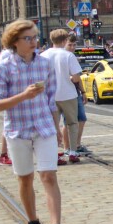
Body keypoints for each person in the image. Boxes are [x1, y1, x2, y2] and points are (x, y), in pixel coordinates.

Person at [0, 19, 70, 224]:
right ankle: (33, 221)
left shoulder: (44, 64)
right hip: (17, 130)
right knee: (25, 179)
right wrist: (23, 96)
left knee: (48, 175)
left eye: (36, 37)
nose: (34, 42)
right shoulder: (3, 68)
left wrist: (57, 129)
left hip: (43, 127)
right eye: (29, 38)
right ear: (14, 41)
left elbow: (51, 101)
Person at [40, 29, 83, 165]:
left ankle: (54, 154)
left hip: (50, 95)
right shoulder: (68, 55)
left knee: (53, 126)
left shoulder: (43, 55)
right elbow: (76, 77)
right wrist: (69, 78)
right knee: (72, 123)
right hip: (68, 94)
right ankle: (72, 152)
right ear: (65, 41)